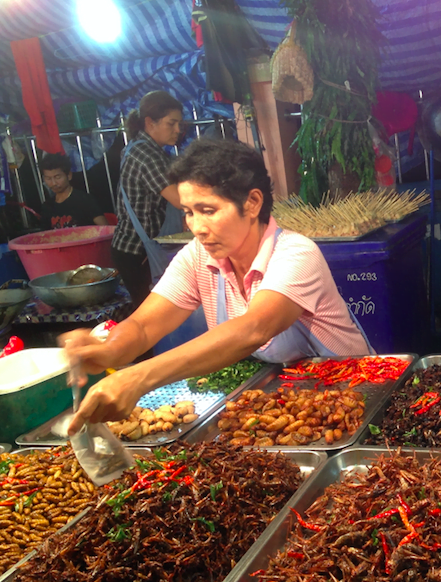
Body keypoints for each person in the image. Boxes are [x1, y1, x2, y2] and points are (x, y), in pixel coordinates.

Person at [63, 138, 372, 432]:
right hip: (300, 401)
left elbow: (254, 329)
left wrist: (140, 376)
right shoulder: (199, 256)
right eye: (188, 212)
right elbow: (144, 326)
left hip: (357, 391)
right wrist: (109, 351)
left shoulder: (296, 254)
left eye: (208, 211)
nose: (196, 227)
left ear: (252, 203)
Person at [111, 90, 185, 306]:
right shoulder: (146, 154)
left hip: (137, 247)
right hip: (137, 252)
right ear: (150, 123)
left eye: (179, 124)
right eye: (171, 124)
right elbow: (181, 200)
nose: (178, 130)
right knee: (152, 315)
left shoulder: (146, 148)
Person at [37, 153, 106, 230]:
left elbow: (105, 229)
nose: (53, 183)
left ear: (69, 175)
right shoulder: (47, 207)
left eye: (58, 177)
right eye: (48, 178)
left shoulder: (85, 200)